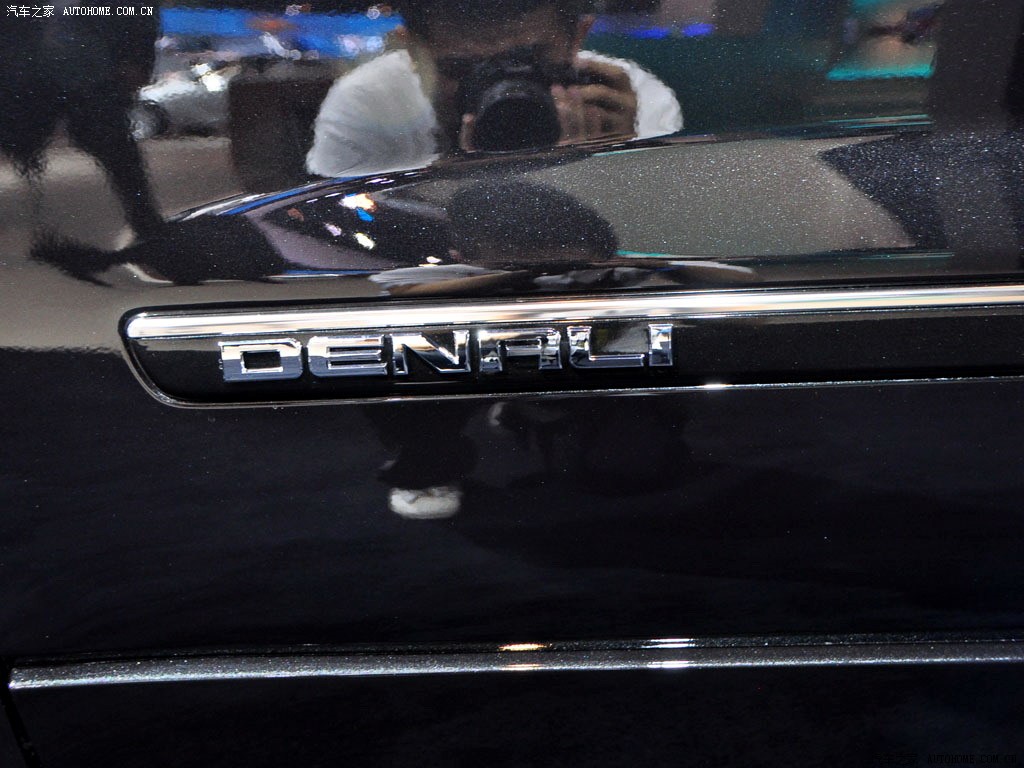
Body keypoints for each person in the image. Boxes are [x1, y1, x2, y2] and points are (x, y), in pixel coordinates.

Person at [306, 0, 683, 178]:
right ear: (412, 52)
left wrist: (618, 164)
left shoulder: (631, 100)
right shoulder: (369, 103)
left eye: (526, 62)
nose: (502, 89)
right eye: (462, 69)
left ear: (577, 38)